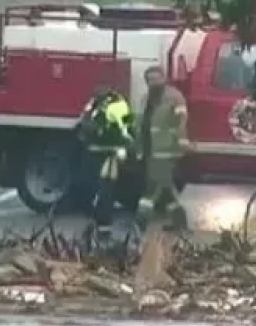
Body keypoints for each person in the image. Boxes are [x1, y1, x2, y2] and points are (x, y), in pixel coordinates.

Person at [137, 65, 189, 231]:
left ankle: (140, 220)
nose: (153, 82)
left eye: (156, 78)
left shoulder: (174, 96)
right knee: (166, 188)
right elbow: (141, 124)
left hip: (167, 148)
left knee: (152, 187)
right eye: (150, 79)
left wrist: (182, 142)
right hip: (150, 149)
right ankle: (180, 223)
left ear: (164, 78)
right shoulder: (146, 98)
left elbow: (182, 120)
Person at [77, 88, 136, 229]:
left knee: (99, 183)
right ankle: (102, 217)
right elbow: (129, 126)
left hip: (99, 150)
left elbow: (84, 123)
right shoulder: (118, 105)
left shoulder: (95, 105)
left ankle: (97, 214)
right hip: (109, 151)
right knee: (106, 184)